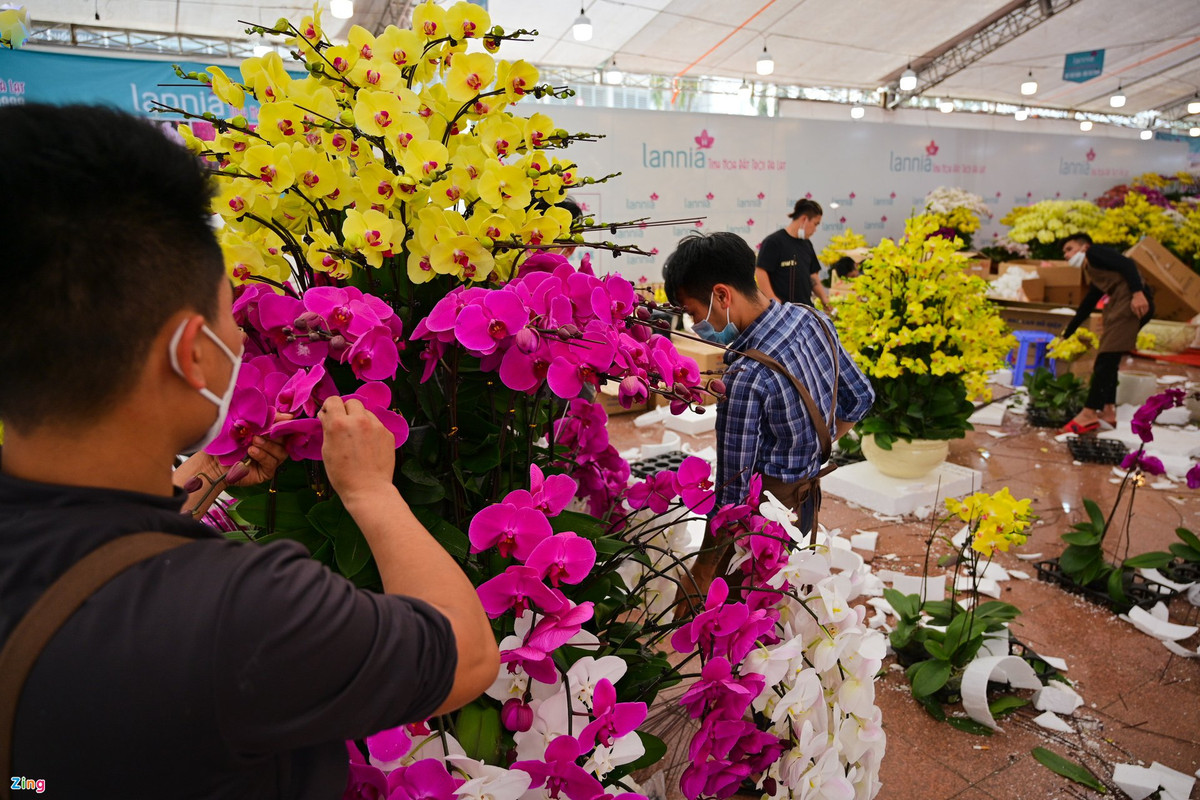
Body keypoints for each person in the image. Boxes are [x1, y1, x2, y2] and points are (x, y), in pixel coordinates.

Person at [0, 104, 499, 797]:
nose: (243, 342)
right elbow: (466, 656)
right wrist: (371, 492)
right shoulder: (246, 609)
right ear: (189, 352)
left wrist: (194, 480)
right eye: (230, 317)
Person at [663, 232, 875, 595]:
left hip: (764, 524)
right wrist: (811, 444)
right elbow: (861, 398)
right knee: (786, 611)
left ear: (722, 295)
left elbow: (733, 496)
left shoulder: (746, 377)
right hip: (806, 505)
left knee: (746, 624)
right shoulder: (813, 319)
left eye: (695, 314)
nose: (697, 325)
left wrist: (700, 573)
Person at [1059, 233, 1154, 435]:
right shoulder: (1095, 271)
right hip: (1122, 306)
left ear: (1084, 247)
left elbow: (1128, 264)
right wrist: (1068, 332)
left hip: (1131, 303)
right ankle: (1109, 411)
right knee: (1109, 358)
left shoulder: (1094, 253)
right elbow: (1088, 303)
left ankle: (1089, 412)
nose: (1066, 255)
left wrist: (1138, 293)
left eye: (1069, 249)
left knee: (1105, 359)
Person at [755, 198, 830, 309]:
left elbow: (813, 275)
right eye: (815, 224)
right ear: (804, 219)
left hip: (805, 309)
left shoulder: (807, 244)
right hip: (783, 311)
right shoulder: (774, 242)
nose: (815, 229)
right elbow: (761, 272)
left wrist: (825, 300)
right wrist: (774, 300)